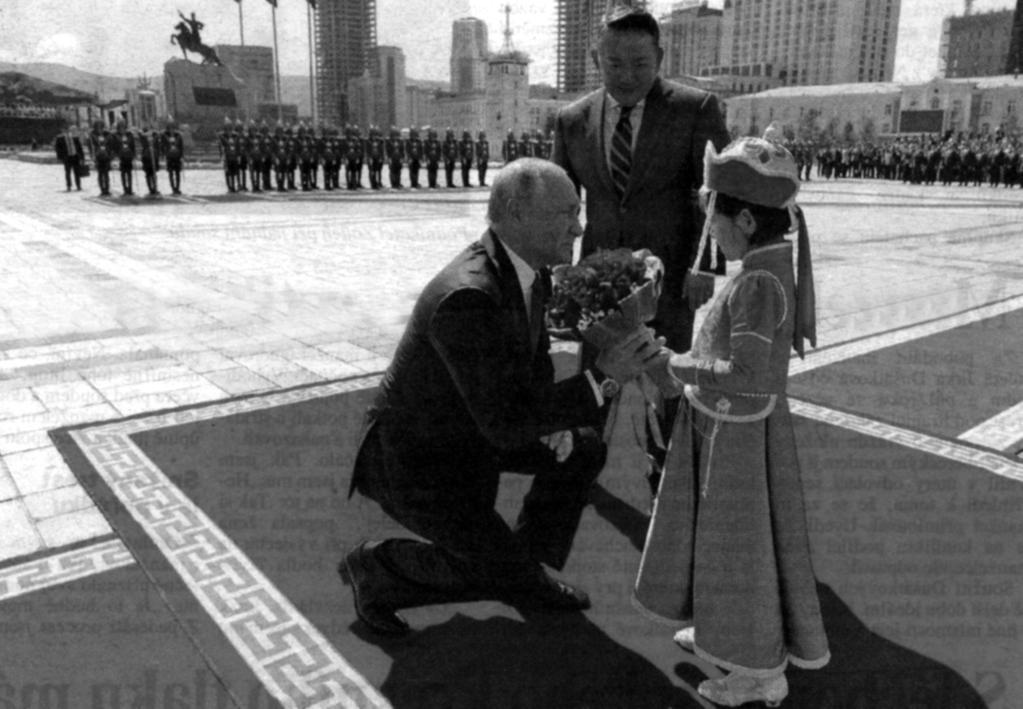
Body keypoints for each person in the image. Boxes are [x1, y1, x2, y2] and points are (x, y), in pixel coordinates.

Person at [340, 158, 649, 637]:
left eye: (578, 211)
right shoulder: (468, 296)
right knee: (492, 574)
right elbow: (505, 425)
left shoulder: (529, 268)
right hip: (418, 463)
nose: (579, 226)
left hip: (473, 432)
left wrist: (557, 424)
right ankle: (378, 566)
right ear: (517, 216)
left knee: (583, 446)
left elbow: (535, 361)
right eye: (566, 214)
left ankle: (521, 566)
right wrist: (600, 378)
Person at [630, 136, 830, 707]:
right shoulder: (759, 268)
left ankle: (758, 671)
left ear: (745, 218)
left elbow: (749, 373)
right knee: (714, 543)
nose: (708, 229)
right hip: (722, 427)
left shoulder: (762, 282)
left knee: (738, 549)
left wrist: (677, 363)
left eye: (713, 216)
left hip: (738, 435)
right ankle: (722, 633)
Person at [552, 5, 730, 498]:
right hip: (597, 282)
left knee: (667, 375)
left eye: (640, 64)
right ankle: (581, 462)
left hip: (670, 278)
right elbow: (561, 201)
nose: (626, 76)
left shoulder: (695, 108)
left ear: (661, 57)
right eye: (613, 63)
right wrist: (559, 273)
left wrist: (703, 266)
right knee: (595, 375)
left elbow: (716, 194)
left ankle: (670, 476)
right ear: (595, 58)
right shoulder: (571, 119)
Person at [54, 126, 84, 191]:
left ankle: (78, 185)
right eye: (64, 130)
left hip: (75, 156)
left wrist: (82, 157)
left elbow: (79, 147)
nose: (66, 132)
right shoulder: (60, 138)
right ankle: (69, 186)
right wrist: (60, 157)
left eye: (67, 130)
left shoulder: (75, 137)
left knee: (77, 172)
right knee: (68, 172)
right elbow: (58, 149)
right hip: (67, 157)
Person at [89, 121, 113, 197]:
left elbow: (110, 144)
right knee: (100, 173)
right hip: (98, 156)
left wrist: (110, 153)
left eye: (101, 126)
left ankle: (107, 189)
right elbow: (91, 146)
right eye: (98, 127)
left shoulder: (107, 134)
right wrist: (92, 155)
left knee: (106, 173)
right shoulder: (92, 135)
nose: (99, 128)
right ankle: (102, 189)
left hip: (106, 155)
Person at [161, 119, 185, 195]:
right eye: (170, 126)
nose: (171, 128)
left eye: (172, 126)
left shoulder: (178, 135)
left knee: (177, 173)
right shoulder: (165, 135)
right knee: (171, 173)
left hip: (177, 156)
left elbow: (181, 146)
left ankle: (177, 188)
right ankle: (173, 188)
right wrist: (164, 153)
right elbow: (162, 145)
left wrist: (181, 155)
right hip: (169, 156)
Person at [138, 124, 162, 197]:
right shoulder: (143, 136)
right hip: (146, 157)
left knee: (154, 173)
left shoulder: (155, 135)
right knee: (148, 174)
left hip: (154, 156)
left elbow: (158, 141)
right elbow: (140, 136)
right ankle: (150, 189)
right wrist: (144, 134)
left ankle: (155, 187)